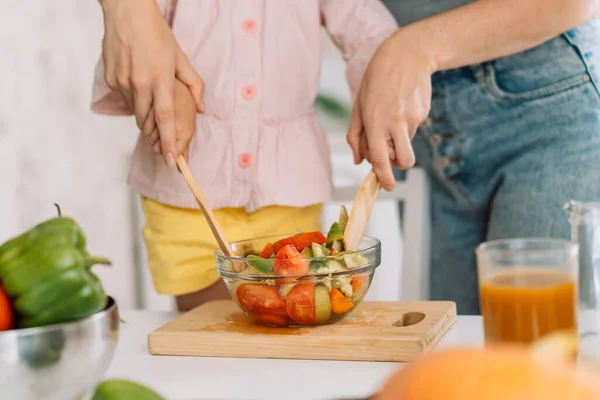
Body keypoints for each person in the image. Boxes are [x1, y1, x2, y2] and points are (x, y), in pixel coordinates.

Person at [92, 0, 398, 311]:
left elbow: (369, 32)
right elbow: (136, 40)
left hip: (287, 188)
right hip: (189, 189)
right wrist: (167, 87)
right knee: (214, 332)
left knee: (290, 317)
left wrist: (387, 94)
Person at [348, 0, 600, 314]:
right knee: (451, 353)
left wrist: (414, 48)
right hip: (422, 127)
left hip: (545, 109)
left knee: (529, 353)